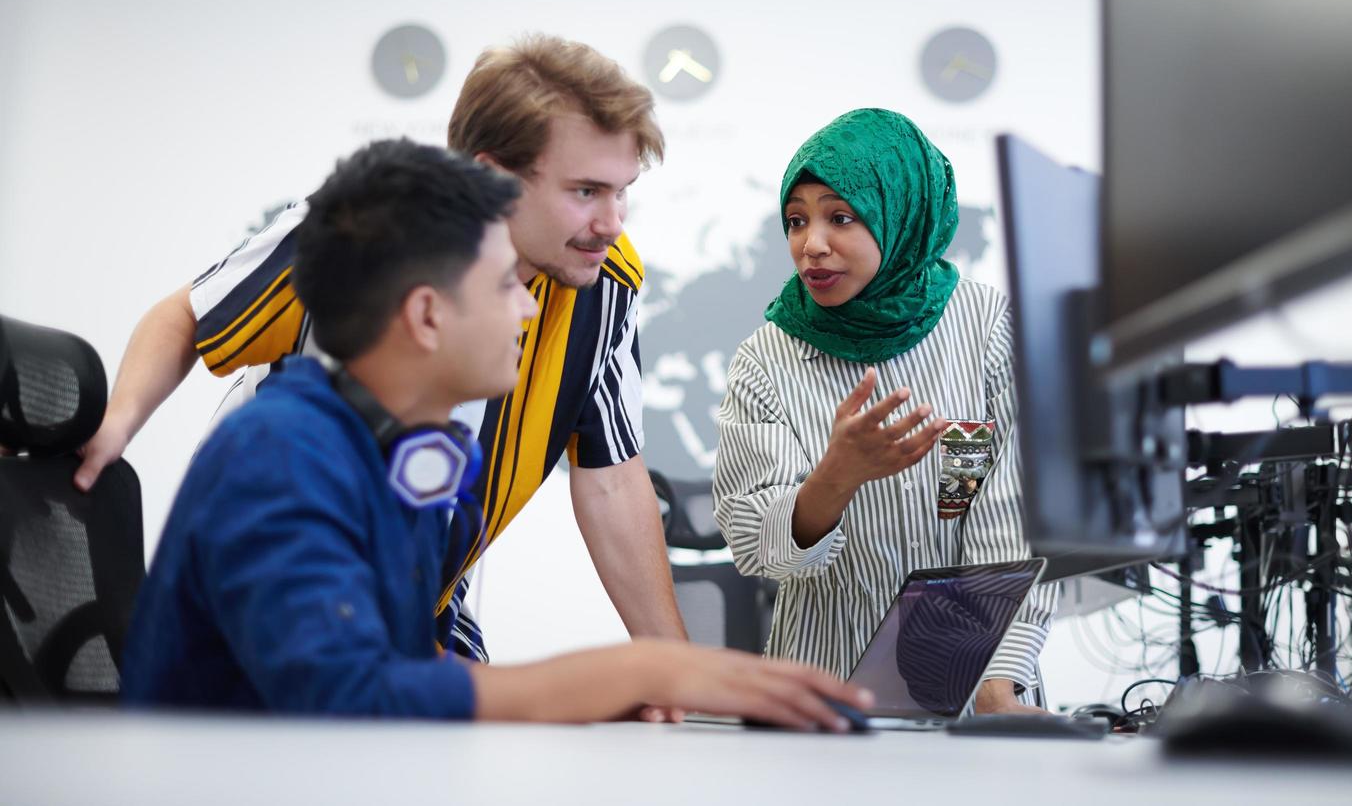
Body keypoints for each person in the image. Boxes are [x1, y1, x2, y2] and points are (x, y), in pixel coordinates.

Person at [121, 139, 869, 729]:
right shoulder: (279, 455)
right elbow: (351, 698)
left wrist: (618, 686)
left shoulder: (408, 463)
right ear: (425, 315)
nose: (529, 309)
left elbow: (415, 660)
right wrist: (640, 672)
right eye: (505, 285)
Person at [71, 35, 684, 663]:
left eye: (622, 190)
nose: (614, 223)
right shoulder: (357, 236)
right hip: (282, 605)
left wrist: (673, 673)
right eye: (586, 191)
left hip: (414, 598)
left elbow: (612, 478)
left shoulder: (604, 276)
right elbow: (190, 314)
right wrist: (115, 425)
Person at [711, 108, 1058, 714]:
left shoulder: (985, 329)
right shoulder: (766, 359)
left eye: (840, 217)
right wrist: (834, 478)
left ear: (902, 213)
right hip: (825, 696)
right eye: (796, 221)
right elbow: (754, 544)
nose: (811, 244)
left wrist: (996, 684)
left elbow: (1006, 515)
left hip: (982, 689)